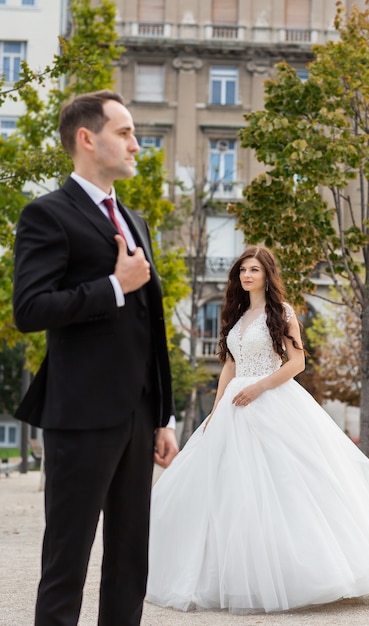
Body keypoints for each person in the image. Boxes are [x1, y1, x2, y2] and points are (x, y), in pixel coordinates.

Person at [146, 245, 369, 614]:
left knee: (285, 484)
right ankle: (233, 574)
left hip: (272, 401)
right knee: (230, 490)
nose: (247, 275)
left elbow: (297, 364)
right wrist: (216, 408)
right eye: (243, 269)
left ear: (266, 274)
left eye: (254, 270)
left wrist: (259, 387)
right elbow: (229, 365)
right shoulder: (237, 315)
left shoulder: (282, 313)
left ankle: (306, 573)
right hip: (234, 409)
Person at [13, 90, 178, 626]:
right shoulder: (46, 214)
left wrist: (163, 414)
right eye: (125, 132)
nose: (136, 144)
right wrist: (113, 285)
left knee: (131, 561)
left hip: (138, 416)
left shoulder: (135, 219)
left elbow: (149, 325)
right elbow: (30, 308)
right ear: (87, 139)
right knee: (67, 562)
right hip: (80, 415)